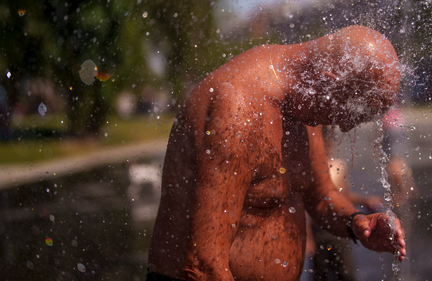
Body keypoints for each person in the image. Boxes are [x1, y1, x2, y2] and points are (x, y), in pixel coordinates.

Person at [147, 25, 406, 281]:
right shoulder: (238, 110)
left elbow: (320, 195)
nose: (345, 126)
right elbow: (203, 266)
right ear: (328, 81)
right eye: (349, 113)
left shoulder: (303, 102)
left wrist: (357, 222)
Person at [308, 126, 383, 281]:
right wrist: (307, 237)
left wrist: (364, 200)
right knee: (319, 274)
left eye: (331, 144)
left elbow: (343, 195)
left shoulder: (339, 165)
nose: (330, 147)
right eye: (326, 144)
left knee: (346, 273)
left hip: (340, 227)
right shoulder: (310, 167)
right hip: (318, 231)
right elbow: (308, 203)